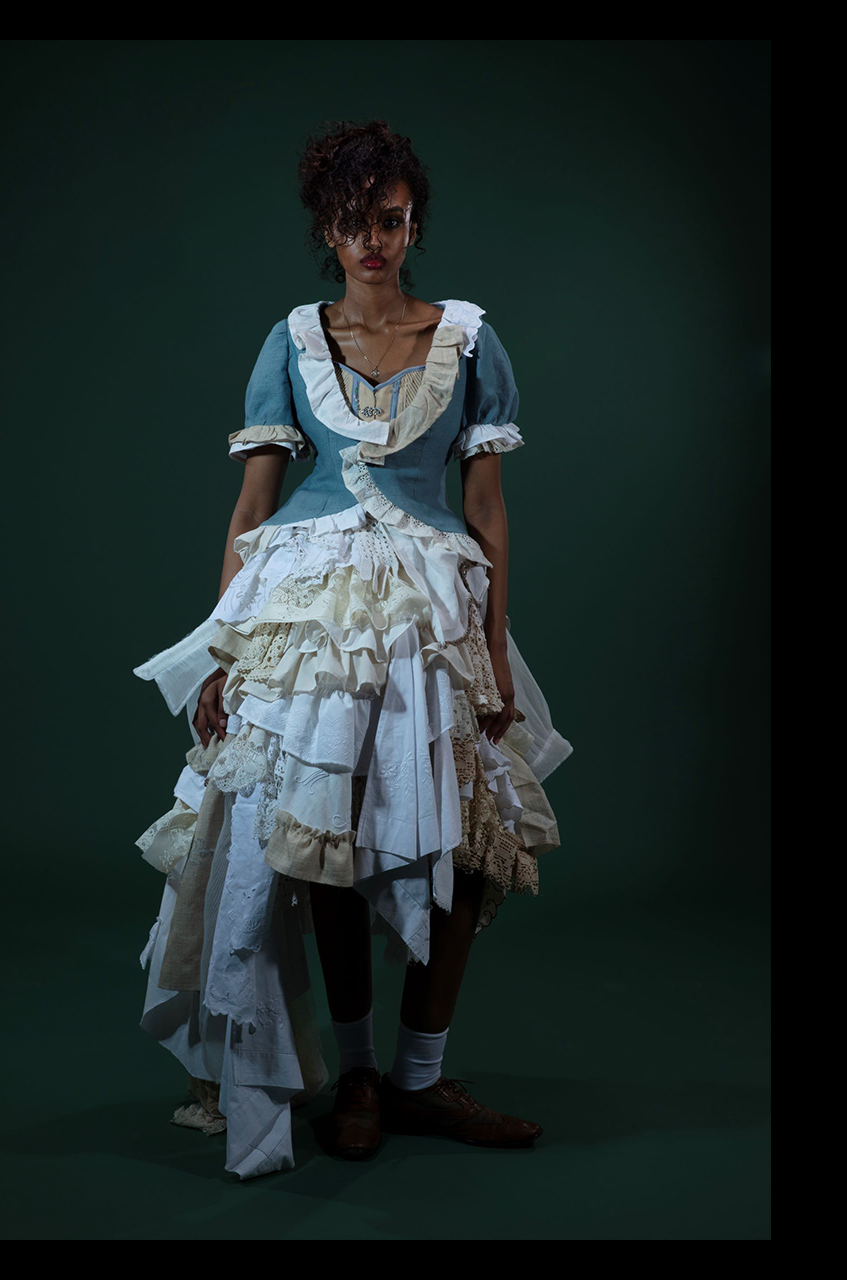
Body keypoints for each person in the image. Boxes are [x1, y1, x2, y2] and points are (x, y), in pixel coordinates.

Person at [131, 118, 571, 1180]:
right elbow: (251, 506)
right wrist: (225, 654)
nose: (369, 241)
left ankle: (422, 1075)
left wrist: (498, 652)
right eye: (349, 222)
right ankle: (364, 1075)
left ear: (413, 221)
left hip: (434, 608)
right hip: (310, 612)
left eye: (387, 219)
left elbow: (486, 507)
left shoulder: (468, 336)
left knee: (469, 837)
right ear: (325, 230)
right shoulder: (290, 340)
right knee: (318, 831)